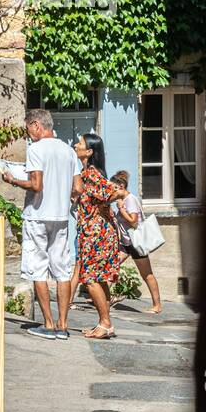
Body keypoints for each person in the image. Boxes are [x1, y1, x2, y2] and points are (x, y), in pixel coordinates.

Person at [2, 108, 80, 340]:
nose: (28, 134)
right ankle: (63, 325)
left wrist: (13, 179)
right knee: (62, 270)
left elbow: (36, 185)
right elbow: (78, 188)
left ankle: (48, 324)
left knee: (39, 269)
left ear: (37, 125)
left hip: (37, 216)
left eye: (28, 128)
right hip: (61, 216)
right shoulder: (68, 150)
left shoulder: (35, 149)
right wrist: (63, 197)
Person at [72, 133, 121, 340]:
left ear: (89, 151)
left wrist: (113, 201)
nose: (76, 145)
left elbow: (115, 191)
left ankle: (105, 323)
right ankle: (105, 323)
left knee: (90, 279)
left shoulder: (91, 174)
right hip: (98, 232)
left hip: (96, 234)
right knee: (99, 280)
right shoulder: (87, 173)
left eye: (80, 143)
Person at [109, 170, 162, 314]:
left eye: (113, 188)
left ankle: (157, 306)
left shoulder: (130, 200)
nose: (111, 192)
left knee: (146, 274)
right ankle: (104, 299)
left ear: (121, 186)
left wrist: (121, 209)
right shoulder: (124, 200)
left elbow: (133, 222)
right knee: (110, 267)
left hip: (136, 243)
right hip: (126, 244)